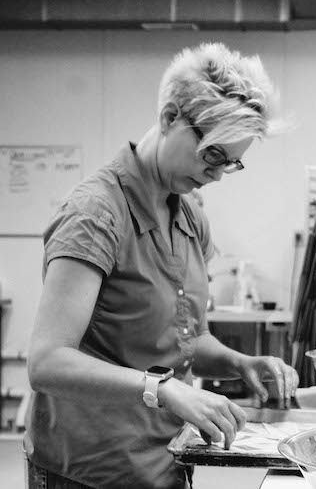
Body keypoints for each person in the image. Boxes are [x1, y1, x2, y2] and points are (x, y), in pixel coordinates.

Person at [25, 42, 298, 489]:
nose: (217, 174)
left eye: (233, 163)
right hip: (92, 471)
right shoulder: (96, 214)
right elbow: (48, 361)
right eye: (213, 154)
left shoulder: (189, 216)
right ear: (170, 117)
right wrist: (164, 388)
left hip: (166, 463)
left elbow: (188, 338)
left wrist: (239, 362)